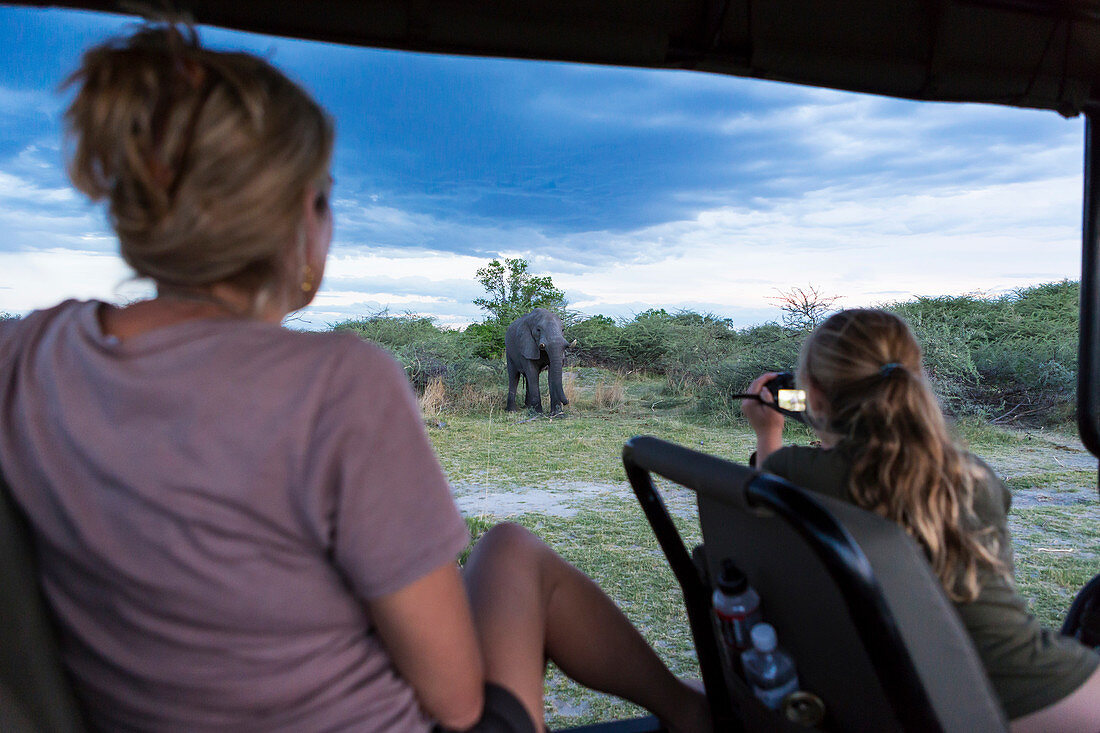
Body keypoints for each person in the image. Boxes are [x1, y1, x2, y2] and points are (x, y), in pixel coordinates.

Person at [0, 23, 709, 733]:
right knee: (513, 550)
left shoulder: (30, 352)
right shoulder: (341, 382)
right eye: (324, 198)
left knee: (503, 550)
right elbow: (458, 699)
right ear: (299, 221)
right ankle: (693, 709)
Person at [740, 308, 1100, 732]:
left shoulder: (795, 472)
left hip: (904, 696)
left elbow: (768, 497)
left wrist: (768, 432)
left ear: (814, 394)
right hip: (1034, 688)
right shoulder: (975, 476)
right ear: (913, 380)